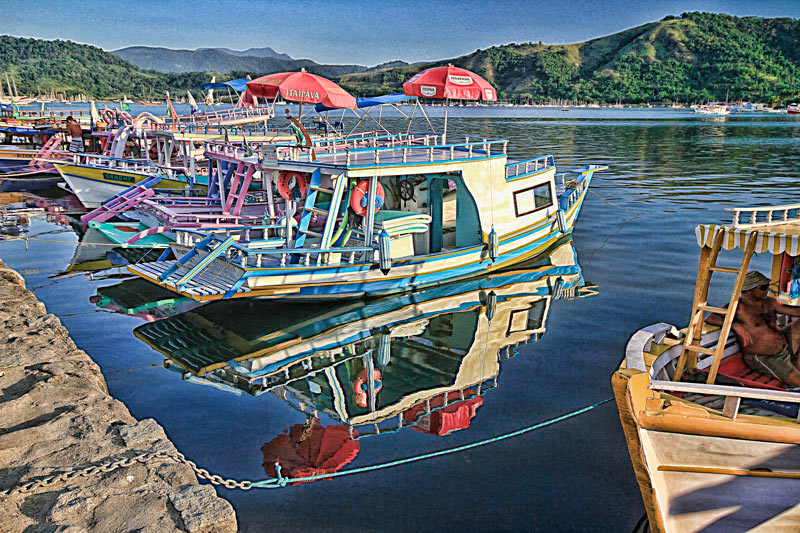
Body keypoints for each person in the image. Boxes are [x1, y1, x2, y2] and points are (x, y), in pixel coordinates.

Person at [706, 270, 800, 386]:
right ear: (750, 289)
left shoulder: (769, 302)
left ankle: (794, 360)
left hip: (785, 347)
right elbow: (711, 318)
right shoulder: (738, 307)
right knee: (798, 382)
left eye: (767, 286)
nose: (767, 290)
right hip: (766, 358)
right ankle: (793, 366)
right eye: (763, 287)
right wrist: (735, 325)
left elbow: (795, 311)